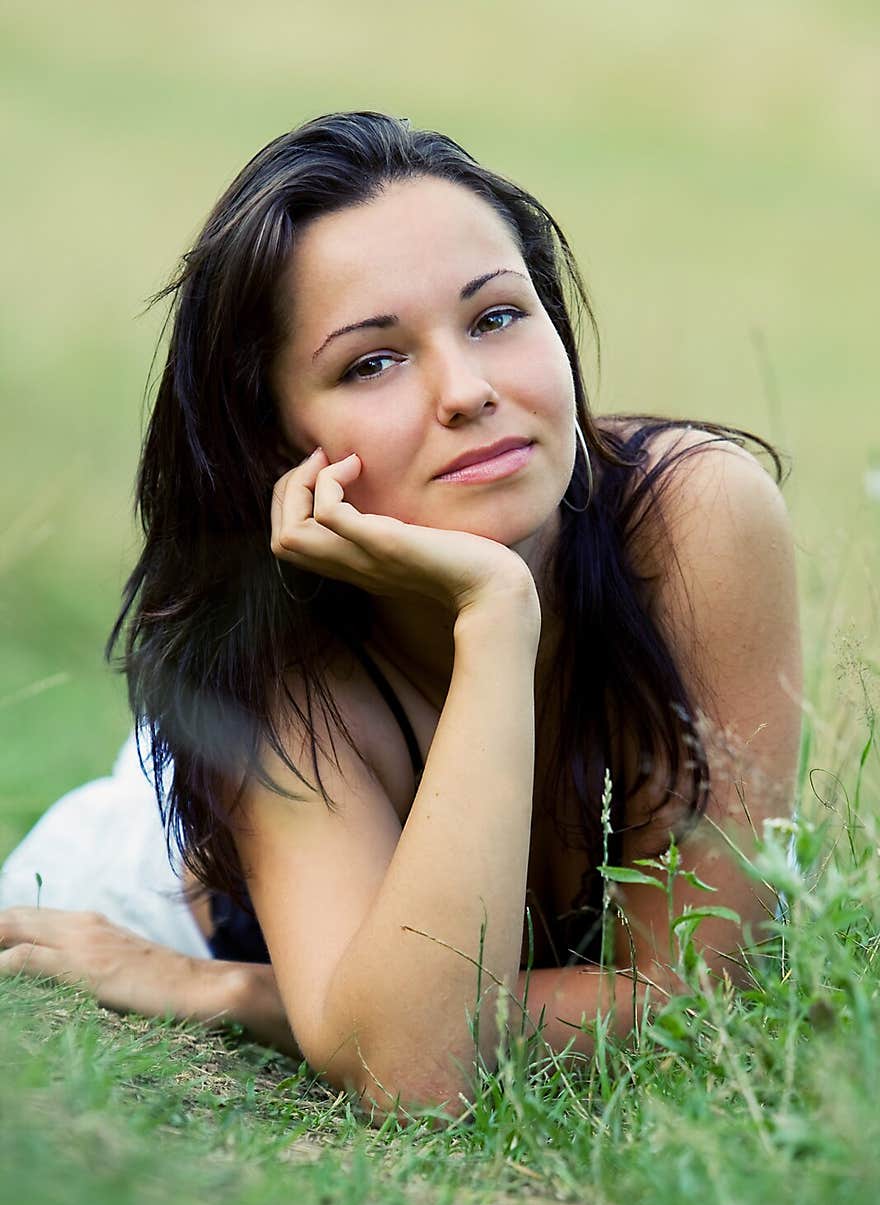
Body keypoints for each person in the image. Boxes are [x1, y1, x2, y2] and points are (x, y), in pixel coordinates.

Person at [0, 111, 803, 1118]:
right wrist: (495, 616)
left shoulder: (695, 520)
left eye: (496, 317)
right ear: (278, 439)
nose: (466, 392)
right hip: (140, 901)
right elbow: (416, 1075)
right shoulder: (273, 667)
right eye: (371, 362)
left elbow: (697, 999)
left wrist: (239, 996)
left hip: (223, 969)